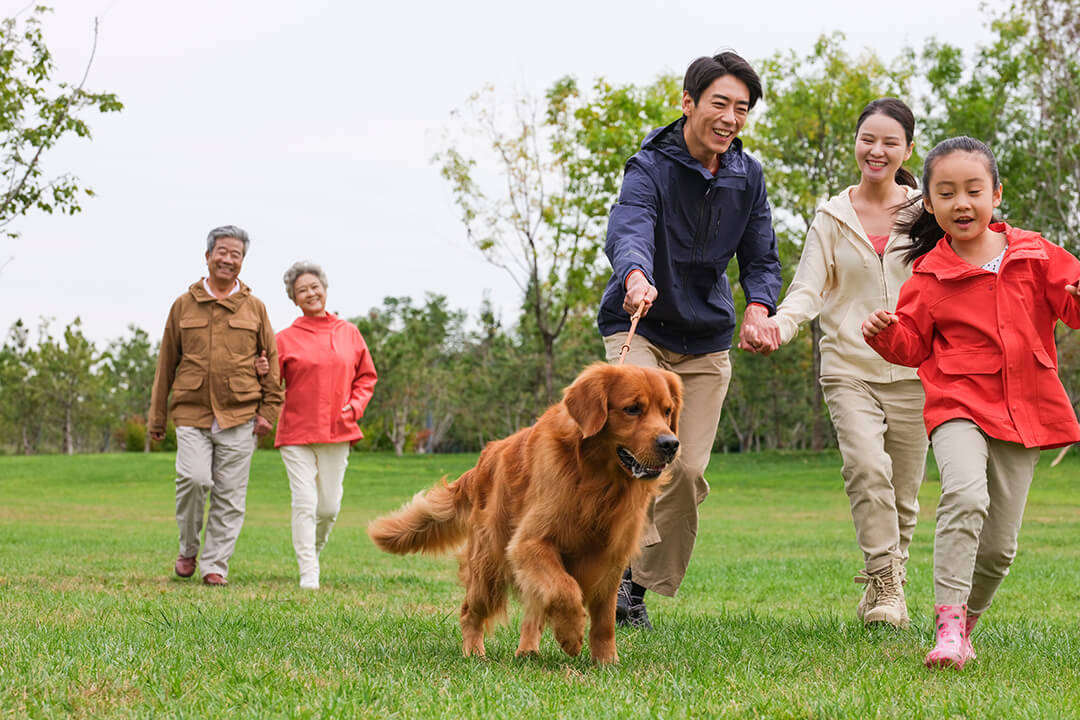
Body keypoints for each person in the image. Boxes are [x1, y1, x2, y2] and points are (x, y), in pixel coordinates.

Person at [862, 136, 1080, 669]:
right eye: (947, 193)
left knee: (1001, 546)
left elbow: (1072, 310)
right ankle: (948, 629)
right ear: (931, 205)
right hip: (958, 403)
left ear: (996, 194)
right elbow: (912, 345)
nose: (962, 202)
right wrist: (886, 334)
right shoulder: (929, 275)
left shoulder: (1036, 255)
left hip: (1025, 408)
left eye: (973, 190)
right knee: (965, 495)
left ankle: (966, 624)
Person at [597, 51, 782, 629]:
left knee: (686, 469)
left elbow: (761, 255)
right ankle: (601, 570)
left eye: (742, 109)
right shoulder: (649, 167)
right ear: (688, 103)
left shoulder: (746, 177)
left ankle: (634, 585)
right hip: (642, 325)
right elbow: (628, 225)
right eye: (720, 103)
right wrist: (635, 275)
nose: (730, 118)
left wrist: (758, 305)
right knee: (630, 455)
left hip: (704, 341)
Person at [746, 98, 926, 628]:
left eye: (890, 141)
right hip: (849, 367)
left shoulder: (927, 213)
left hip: (916, 368)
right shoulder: (831, 216)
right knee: (867, 469)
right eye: (868, 138)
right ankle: (887, 583)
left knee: (904, 492)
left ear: (907, 150)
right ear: (855, 143)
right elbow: (807, 289)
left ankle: (885, 580)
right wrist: (779, 325)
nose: (877, 150)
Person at [149, 225, 283, 587]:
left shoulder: (255, 308)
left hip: (240, 414)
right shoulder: (183, 305)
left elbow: (271, 359)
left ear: (242, 261)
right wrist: (157, 417)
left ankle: (215, 565)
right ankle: (188, 549)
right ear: (208, 256)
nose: (228, 259)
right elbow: (166, 364)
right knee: (193, 480)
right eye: (222, 252)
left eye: (236, 254)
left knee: (230, 495)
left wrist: (269, 411)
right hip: (192, 412)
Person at [270, 261, 377, 590]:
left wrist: (355, 406)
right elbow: (272, 384)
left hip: (338, 430)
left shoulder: (349, 333)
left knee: (328, 507)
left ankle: (312, 553)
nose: (310, 293)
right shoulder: (284, 339)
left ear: (325, 289)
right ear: (294, 299)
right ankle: (309, 573)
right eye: (302, 290)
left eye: (314, 286)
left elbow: (366, 378)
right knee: (305, 501)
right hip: (296, 433)